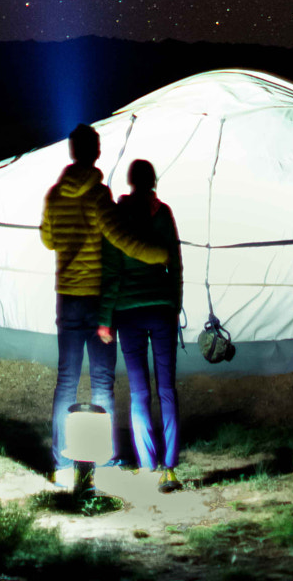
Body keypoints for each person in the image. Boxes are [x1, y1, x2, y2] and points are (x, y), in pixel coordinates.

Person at [41, 123, 168, 488]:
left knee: (66, 380)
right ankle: (103, 458)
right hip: (97, 301)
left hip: (67, 299)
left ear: (71, 152)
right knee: (101, 382)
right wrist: (159, 253)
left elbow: (49, 240)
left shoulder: (54, 196)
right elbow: (123, 239)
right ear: (96, 153)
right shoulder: (99, 198)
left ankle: (60, 462)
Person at [97, 157, 183, 491]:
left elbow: (112, 272)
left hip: (128, 312)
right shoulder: (162, 213)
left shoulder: (118, 220)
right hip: (161, 310)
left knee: (139, 392)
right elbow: (174, 264)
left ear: (130, 182)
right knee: (166, 390)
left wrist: (105, 319)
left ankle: (148, 466)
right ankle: (170, 467)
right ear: (153, 181)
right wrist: (174, 304)